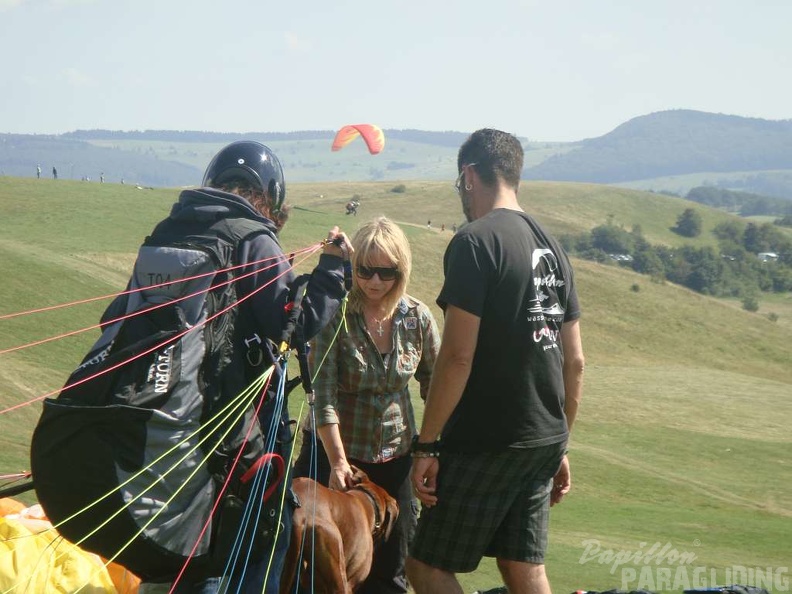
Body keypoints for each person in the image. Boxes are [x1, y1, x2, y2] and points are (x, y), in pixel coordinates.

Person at [129, 140, 352, 593]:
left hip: (160, 424)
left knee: (174, 554)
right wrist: (331, 272)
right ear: (269, 197)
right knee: (246, 552)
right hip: (228, 437)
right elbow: (295, 321)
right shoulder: (251, 236)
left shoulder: (167, 234)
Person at [406, 129, 585, 594]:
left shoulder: (474, 242)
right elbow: (576, 362)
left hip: (487, 439)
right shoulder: (554, 250)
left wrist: (426, 446)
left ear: (469, 176)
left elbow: (458, 356)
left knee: (425, 565)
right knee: (521, 565)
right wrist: (560, 442)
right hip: (543, 438)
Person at [293, 216, 441, 594]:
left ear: (402, 270)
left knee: (391, 574)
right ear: (353, 266)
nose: (374, 282)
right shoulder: (336, 316)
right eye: (365, 270)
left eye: (386, 272)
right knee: (314, 576)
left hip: (396, 463)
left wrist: (434, 446)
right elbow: (322, 395)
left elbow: (437, 386)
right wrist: (339, 462)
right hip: (332, 460)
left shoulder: (418, 319)